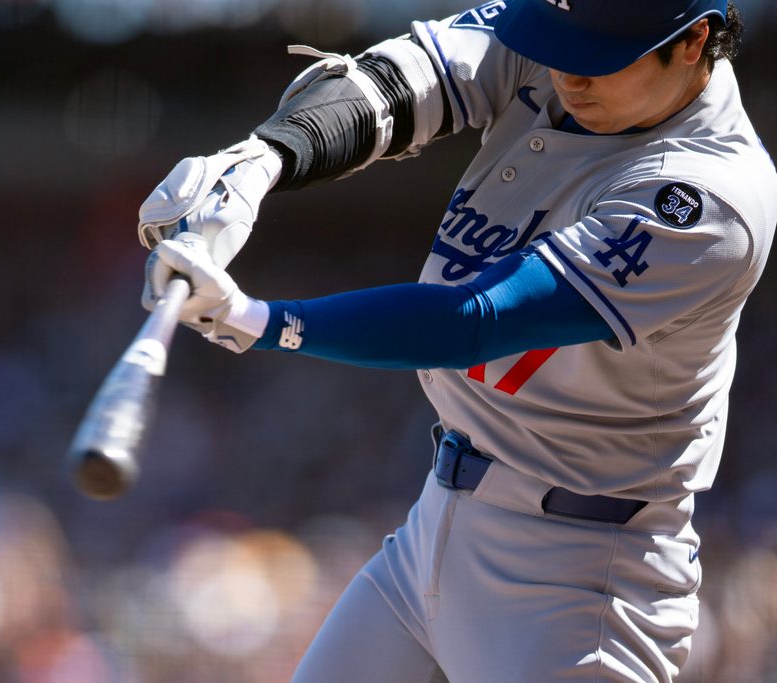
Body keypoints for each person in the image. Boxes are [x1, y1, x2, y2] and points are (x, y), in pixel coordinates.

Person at [138, 1, 776, 680]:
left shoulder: (712, 196)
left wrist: (260, 320)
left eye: (594, 55)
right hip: (434, 527)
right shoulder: (565, 46)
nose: (567, 74)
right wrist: (262, 159)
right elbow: (389, 85)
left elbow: (476, 320)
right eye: (555, 43)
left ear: (693, 40)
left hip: (582, 580)